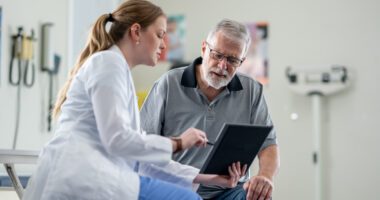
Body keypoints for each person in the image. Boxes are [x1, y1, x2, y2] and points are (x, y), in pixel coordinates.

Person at [22, 2, 246, 200]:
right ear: (136, 32)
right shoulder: (107, 63)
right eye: (159, 35)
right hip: (81, 178)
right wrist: (179, 142)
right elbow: (118, 140)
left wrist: (210, 178)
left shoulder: (117, 70)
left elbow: (142, 158)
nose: (164, 45)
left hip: (102, 178)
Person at [141, 19, 280, 200]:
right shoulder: (168, 84)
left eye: (232, 60)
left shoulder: (252, 91)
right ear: (204, 48)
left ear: (242, 61)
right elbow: (143, 142)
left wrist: (265, 177)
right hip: (179, 187)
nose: (223, 66)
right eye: (217, 55)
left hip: (231, 190)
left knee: (260, 196)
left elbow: (268, 144)